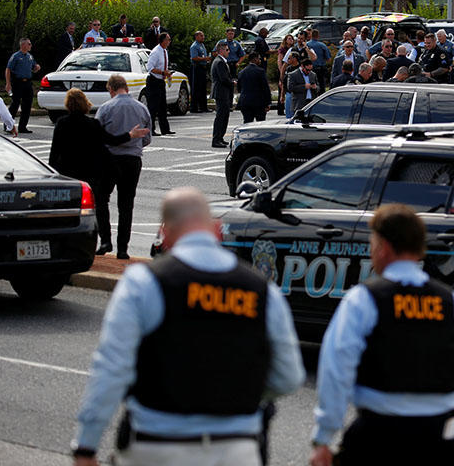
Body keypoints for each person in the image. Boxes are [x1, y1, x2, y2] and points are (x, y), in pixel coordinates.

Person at [71, 186, 305, 466]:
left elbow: (111, 369)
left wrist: (86, 446)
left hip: (157, 445)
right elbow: (289, 377)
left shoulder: (145, 283)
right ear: (216, 231)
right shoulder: (263, 291)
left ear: (165, 234)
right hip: (237, 448)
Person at [309, 203, 454, 466]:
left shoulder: (364, 299)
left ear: (384, 247)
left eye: (372, 243)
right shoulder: (451, 301)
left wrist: (323, 438)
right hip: (439, 442)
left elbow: (336, 370)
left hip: (379, 439)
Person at [94, 75, 152, 260]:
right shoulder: (142, 108)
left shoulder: (105, 108)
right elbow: (147, 138)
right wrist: (134, 144)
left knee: (101, 199)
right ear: (126, 88)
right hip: (133, 160)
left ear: (111, 89)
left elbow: (98, 135)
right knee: (126, 204)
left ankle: (105, 240)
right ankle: (122, 248)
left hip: (110, 159)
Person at [50, 88, 148, 187]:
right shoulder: (92, 124)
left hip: (67, 169)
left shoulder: (62, 123)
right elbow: (111, 140)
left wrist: (51, 171)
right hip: (88, 170)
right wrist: (130, 135)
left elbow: (55, 150)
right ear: (85, 103)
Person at [5, 38, 40, 134]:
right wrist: (8, 83)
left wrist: (36, 68)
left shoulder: (30, 56)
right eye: (29, 44)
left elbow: (33, 68)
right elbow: (8, 69)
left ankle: (22, 127)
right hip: (17, 82)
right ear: (23, 45)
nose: (30, 45)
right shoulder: (16, 56)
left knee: (27, 104)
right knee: (15, 104)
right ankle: (8, 125)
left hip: (27, 82)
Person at [146, 32, 175, 136]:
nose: (169, 41)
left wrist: (167, 73)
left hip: (161, 81)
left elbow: (164, 66)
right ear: (163, 40)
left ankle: (165, 129)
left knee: (163, 106)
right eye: (168, 39)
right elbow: (150, 68)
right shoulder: (155, 52)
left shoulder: (164, 51)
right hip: (154, 81)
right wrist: (163, 72)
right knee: (153, 107)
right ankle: (150, 129)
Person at [214, 28, 246, 111]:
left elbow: (242, 55)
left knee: (231, 84)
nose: (231, 35)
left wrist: (238, 63)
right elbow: (214, 52)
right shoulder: (221, 43)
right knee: (224, 81)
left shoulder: (236, 44)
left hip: (233, 65)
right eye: (229, 33)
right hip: (223, 63)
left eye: (232, 34)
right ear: (226, 34)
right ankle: (224, 104)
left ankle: (230, 104)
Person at [237, 52, 271, 123]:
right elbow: (265, 88)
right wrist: (268, 102)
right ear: (255, 59)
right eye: (259, 59)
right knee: (260, 123)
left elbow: (239, 88)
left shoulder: (241, 72)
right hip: (259, 102)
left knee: (247, 123)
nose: (260, 60)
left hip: (245, 102)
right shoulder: (260, 71)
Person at [211, 43, 233, 147]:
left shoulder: (221, 61)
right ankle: (216, 139)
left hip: (223, 92)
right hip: (221, 92)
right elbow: (223, 78)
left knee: (225, 116)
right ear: (222, 51)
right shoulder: (219, 62)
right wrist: (232, 83)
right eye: (227, 50)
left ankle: (220, 137)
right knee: (220, 116)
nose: (229, 52)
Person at [189, 30, 211, 113]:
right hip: (196, 68)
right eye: (201, 36)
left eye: (203, 36)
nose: (203, 37)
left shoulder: (202, 45)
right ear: (196, 36)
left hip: (203, 67)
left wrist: (206, 60)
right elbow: (194, 57)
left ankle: (203, 107)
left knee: (203, 88)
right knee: (196, 88)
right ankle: (194, 107)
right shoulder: (194, 46)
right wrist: (205, 59)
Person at [307, 29, 331, 94]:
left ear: (311, 35)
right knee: (321, 86)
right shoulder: (322, 45)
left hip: (309, 69)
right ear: (318, 36)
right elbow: (328, 59)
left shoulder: (307, 45)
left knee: (310, 86)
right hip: (320, 69)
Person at [280, 52, 300, 119]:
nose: (287, 60)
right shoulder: (288, 69)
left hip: (298, 94)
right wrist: (282, 95)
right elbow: (284, 83)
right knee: (288, 114)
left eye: (289, 58)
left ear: (295, 59)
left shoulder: (301, 68)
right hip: (289, 93)